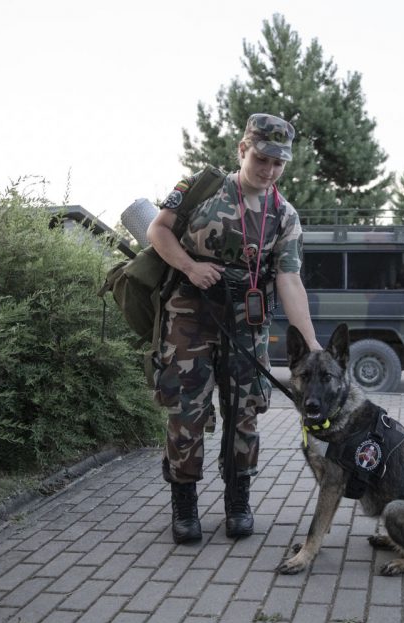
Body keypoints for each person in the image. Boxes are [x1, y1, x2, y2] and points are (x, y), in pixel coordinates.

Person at [147, 113, 320, 544]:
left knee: (244, 413)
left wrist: (313, 344)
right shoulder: (201, 189)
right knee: (186, 411)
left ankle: (237, 502)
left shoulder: (284, 214)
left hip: (247, 320)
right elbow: (158, 230)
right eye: (262, 158)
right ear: (242, 150)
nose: (269, 170)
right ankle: (184, 507)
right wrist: (189, 266)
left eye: (279, 163)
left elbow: (289, 279)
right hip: (190, 314)